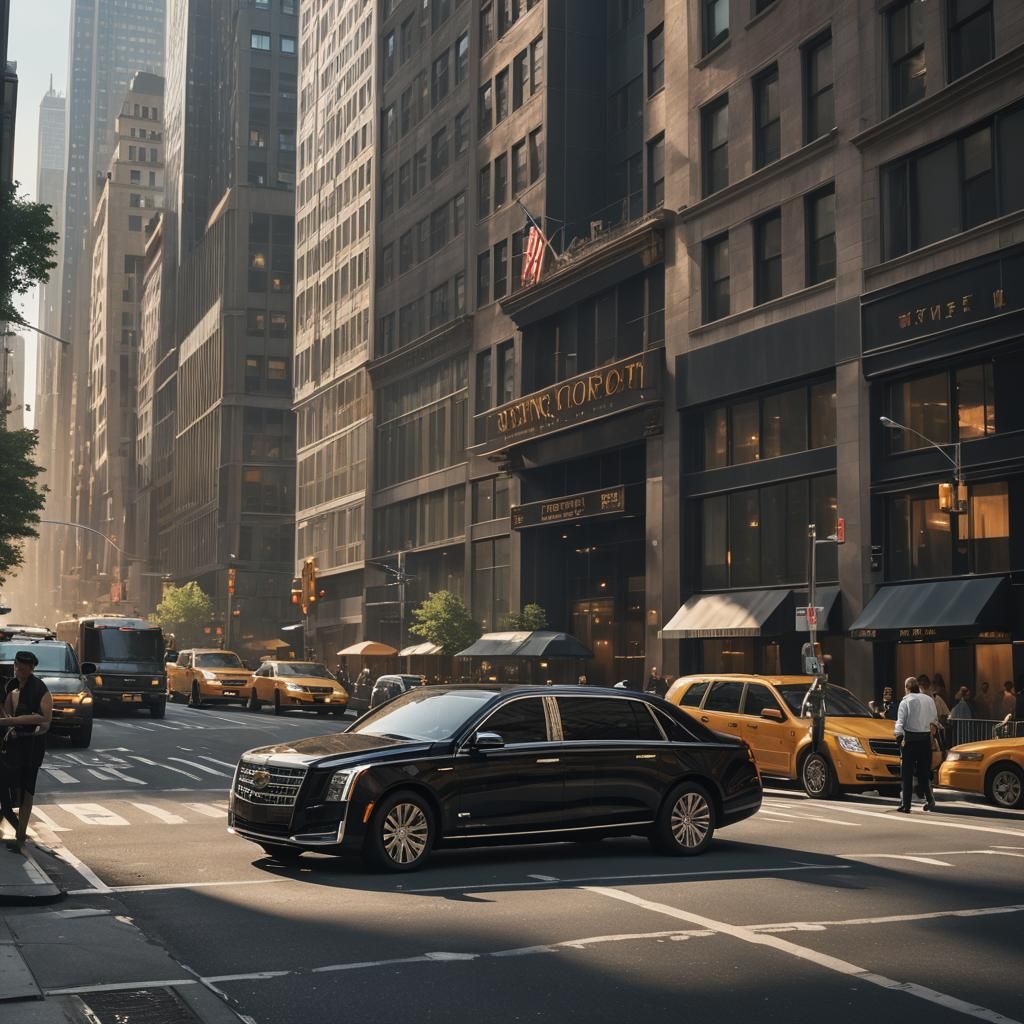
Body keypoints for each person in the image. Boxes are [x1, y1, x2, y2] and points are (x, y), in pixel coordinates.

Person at [0, 651, 53, 851]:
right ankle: (14, 826)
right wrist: (8, 720)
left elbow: (45, 718)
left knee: (26, 790)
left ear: (32, 668)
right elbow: (6, 710)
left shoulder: (40, 689)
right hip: (12, 744)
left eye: (24, 668)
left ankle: (20, 835)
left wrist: (12, 721)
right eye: (17, 666)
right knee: (10, 786)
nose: (19, 671)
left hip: (31, 745)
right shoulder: (11, 685)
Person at [895, 675, 938, 813]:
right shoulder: (929, 700)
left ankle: (906, 805)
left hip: (910, 740)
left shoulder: (905, 702)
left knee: (907, 773)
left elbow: (900, 723)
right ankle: (930, 801)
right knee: (924, 773)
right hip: (925, 739)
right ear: (917, 687)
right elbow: (934, 720)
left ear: (907, 688)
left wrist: (899, 738)